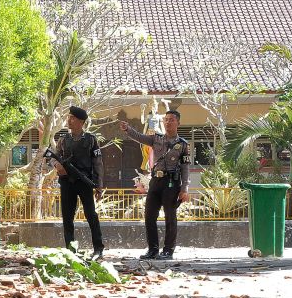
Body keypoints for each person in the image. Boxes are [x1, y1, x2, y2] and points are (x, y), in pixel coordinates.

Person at [120, 109, 192, 259]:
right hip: (155, 181)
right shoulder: (156, 139)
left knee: (170, 217)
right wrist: (128, 129)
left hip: (171, 182)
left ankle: (168, 251)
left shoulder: (183, 145)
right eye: (166, 119)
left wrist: (184, 188)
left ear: (178, 123)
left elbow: (185, 167)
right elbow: (139, 137)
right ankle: (152, 249)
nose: (168, 122)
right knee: (149, 215)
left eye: (171, 120)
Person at [48, 106, 105, 260]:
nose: (69, 120)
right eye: (69, 117)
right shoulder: (63, 140)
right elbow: (53, 156)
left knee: (91, 215)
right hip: (67, 182)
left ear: (81, 122)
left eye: (72, 118)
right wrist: (57, 165)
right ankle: (70, 250)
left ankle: (98, 249)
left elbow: (98, 163)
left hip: (84, 181)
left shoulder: (91, 140)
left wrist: (99, 185)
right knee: (67, 217)